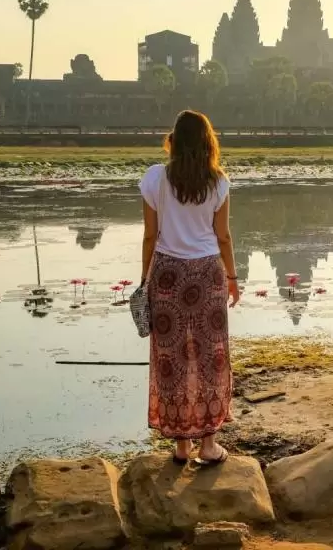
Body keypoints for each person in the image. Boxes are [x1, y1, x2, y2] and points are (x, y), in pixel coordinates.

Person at [139, 110, 240, 466]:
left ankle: (181, 447)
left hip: (167, 275)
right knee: (210, 357)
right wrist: (232, 278)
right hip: (207, 275)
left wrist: (144, 280)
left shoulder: (155, 179)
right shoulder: (218, 183)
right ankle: (208, 444)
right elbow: (223, 236)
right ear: (207, 142)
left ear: (174, 141)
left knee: (170, 358)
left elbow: (150, 235)